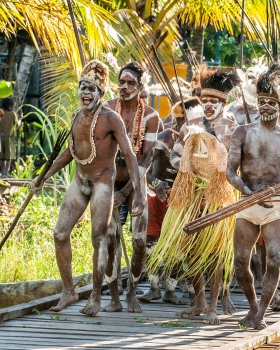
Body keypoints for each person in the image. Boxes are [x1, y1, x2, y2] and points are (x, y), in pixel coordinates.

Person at [31, 60, 144, 315]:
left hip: (103, 182)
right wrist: (43, 177)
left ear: (102, 94)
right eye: (83, 87)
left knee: (99, 238)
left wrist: (136, 193)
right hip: (80, 180)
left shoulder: (110, 118)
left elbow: (129, 155)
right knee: (60, 233)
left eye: (92, 89)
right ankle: (69, 291)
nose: (86, 93)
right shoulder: (76, 117)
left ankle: (95, 296)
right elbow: (68, 154)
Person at [151, 66, 241, 324]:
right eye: (206, 101)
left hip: (218, 196)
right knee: (190, 249)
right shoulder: (191, 126)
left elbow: (234, 162)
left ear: (224, 103)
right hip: (191, 195)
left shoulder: (232, 128)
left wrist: (214, 164)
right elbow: (176, 156)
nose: (210, 106)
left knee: (214, 252)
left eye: (215, 102)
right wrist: (188, 163)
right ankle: (199, 302)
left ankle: (213, 306)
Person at [226, 66, 280, 329]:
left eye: (271, 103)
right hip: (246, 202)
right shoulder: (242, 133)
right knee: (240, 261)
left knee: (275, 258)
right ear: (256, 104)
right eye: (262, 102)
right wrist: (247, 193)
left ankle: (262, 313)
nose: (266, 107)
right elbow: (229, 171)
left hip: (275, 204)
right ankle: (253, 306)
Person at [101, 62, 160, 313]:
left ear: (141, 87)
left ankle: (132, 292)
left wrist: (126, 192)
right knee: (110, 240)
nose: (124, 87)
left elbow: (147, 157)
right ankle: (114, 298)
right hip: (109, 180)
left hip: (136, 184)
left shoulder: (150, 116)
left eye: (131, 83)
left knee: (138, 243)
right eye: (121, 82)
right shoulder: (106, 110)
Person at [139, 96, 201, 305]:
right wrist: (156, 184)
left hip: (182, 200)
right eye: (186, 121)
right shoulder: (165, 138)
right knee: (151, 243)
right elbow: (143, 167)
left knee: (177, 246)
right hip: (157, 196)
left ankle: (170, 290)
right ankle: (154, 287)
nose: (191, 126)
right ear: (178, 120)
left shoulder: (200, 142)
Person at [0, 97, 20, 177]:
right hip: (10, 138)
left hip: (0, 138)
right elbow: (17, 125)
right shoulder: (12, 114)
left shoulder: (0, 113)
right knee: (8, 157)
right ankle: (5, 173)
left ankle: (2, 172)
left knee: (2, 158)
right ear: (10, 106)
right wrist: (20, 119)